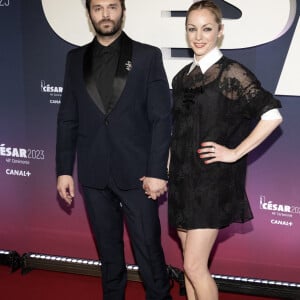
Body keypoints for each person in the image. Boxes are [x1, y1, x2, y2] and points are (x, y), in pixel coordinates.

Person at [56, 0, 172, 299]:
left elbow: (161, 118)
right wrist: (63, 170)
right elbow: (68, 117)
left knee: (148, 252)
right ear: (89, 13)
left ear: (122, 11)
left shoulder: (147, 56)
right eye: (97, 8)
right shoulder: (74, 59)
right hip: (93, 174)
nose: (105, 14)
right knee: (108, 255)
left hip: (138, 176)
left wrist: (157, 171)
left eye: (111, 6)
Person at [168, 1, 283, 299]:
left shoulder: (231, 73)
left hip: (212, 183)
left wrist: (234, 152)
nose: (199, 36)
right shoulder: (181, 78)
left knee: (194, 267)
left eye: (207, 29)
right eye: (192, 29)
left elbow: (272, 116)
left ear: (220, 31)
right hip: (182, 181)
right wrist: (168, 165)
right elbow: (178, 129)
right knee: (189, 266)